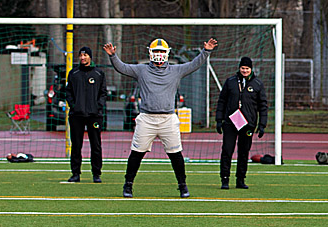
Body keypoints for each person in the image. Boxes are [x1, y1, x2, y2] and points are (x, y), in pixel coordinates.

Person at [103, 37, 217, 198]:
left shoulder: (176, 70)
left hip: (168, 119)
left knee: (176, 154)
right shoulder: (141, 70)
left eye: (161, 51)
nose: (159, 54)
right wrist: (113, 56)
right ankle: (128, 185)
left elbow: (193, 65)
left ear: (167, 53)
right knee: (136, 153)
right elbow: (122, 68)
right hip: (146, 118)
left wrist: (206, 51)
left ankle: (182, 185)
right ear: (150, 53)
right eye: (156, 51)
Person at [215, 56, 268, 189]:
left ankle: (240, 179)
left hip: (248, 124)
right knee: (227, 150)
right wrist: (219, 120)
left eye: (247, 68)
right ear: (239, 68)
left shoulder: (257, 84)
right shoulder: (230, 82)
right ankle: (225, 179)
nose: (245, 71)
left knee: (244, 152)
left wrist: (262, 125)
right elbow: (222, 101)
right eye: (243, 68)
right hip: (230, 122)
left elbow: (263, 105)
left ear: (251, 69)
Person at [65, 45, 107, 183]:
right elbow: (68, 92)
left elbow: (103, 93)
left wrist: (97, 106)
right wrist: (74, 106)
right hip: (77, 115)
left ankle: (96, 174)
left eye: (85, 55)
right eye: (81, 55)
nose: (83, 58)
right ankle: (75, 174)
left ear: (90, 57)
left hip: (94, 116)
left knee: (96, 145)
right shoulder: (73, 73)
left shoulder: (99, 74)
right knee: (76, 145)